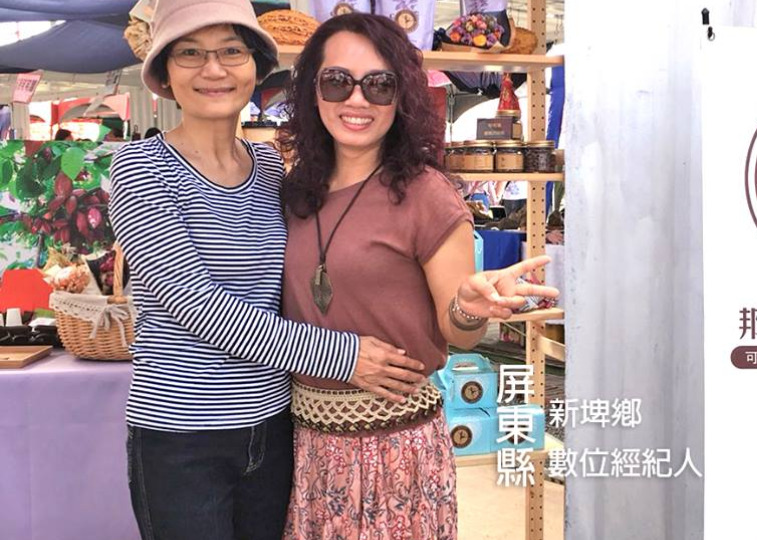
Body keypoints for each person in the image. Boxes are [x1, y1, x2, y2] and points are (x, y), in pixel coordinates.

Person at [107, 2, 425, 539]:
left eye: (232, 50)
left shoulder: (271, 166)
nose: (214, 69)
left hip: (276, 425)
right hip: (182, 437)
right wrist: (345, 355)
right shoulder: (141, 168)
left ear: (256, 66)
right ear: (164, 73)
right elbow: (194, 304)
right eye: (190, 54)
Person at [278, 13, 558, 539]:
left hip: (395, 449)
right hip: (305, 443)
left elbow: (459, 331)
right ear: (312, 89)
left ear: (401, 96)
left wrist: (468, 309)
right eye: (337, 81)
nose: (357, 100)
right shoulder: (294, 191)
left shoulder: (426, 193)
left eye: (379, 85)